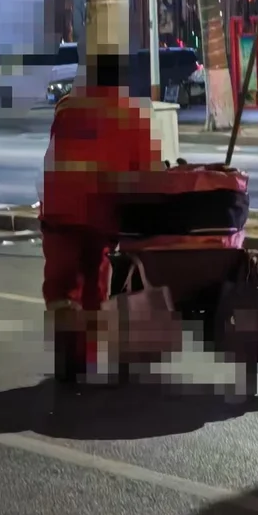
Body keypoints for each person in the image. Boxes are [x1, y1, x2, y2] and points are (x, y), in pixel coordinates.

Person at [39, 54, 164, 383]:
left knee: (61, 287)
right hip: (102, 214)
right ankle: (88, 357)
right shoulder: (133, 114)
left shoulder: (66, 107)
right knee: (95, 285)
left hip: (59, 211)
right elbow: (148, 171)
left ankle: (69, 357)